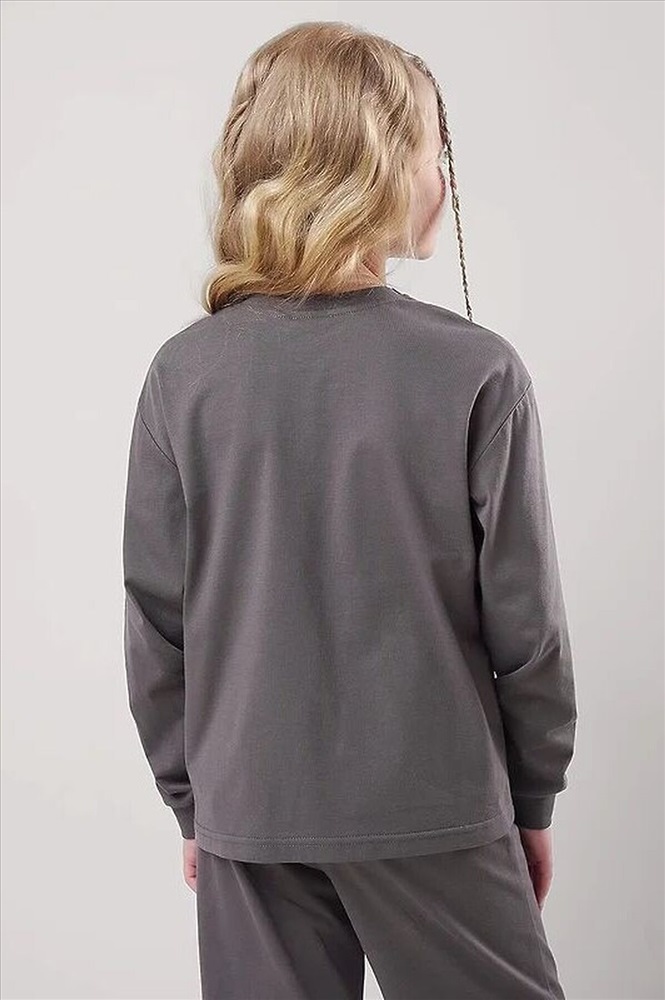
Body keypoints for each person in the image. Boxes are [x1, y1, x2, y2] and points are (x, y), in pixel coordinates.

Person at [122, 20, 577, 1000]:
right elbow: (526, 628)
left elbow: (158, 626)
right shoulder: (474, 370)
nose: (443, 179)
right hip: (435, 807)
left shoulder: (182, 375)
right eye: (431, 150)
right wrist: (532, 796)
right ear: (371, 166)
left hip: (250, 811)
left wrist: (195, 803)